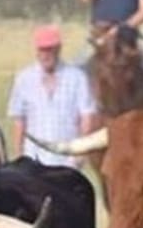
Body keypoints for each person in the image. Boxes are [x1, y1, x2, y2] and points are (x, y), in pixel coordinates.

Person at [8, 24, 98, 167]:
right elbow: (19, 121)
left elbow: (87, 116)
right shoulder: (24, 79)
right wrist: (19, 155)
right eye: (42, 50)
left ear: (58, 49)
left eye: (50, 49)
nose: (45, 54)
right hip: (33, 159)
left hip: (67, 160)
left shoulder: (77, 77)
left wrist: (81, 153)